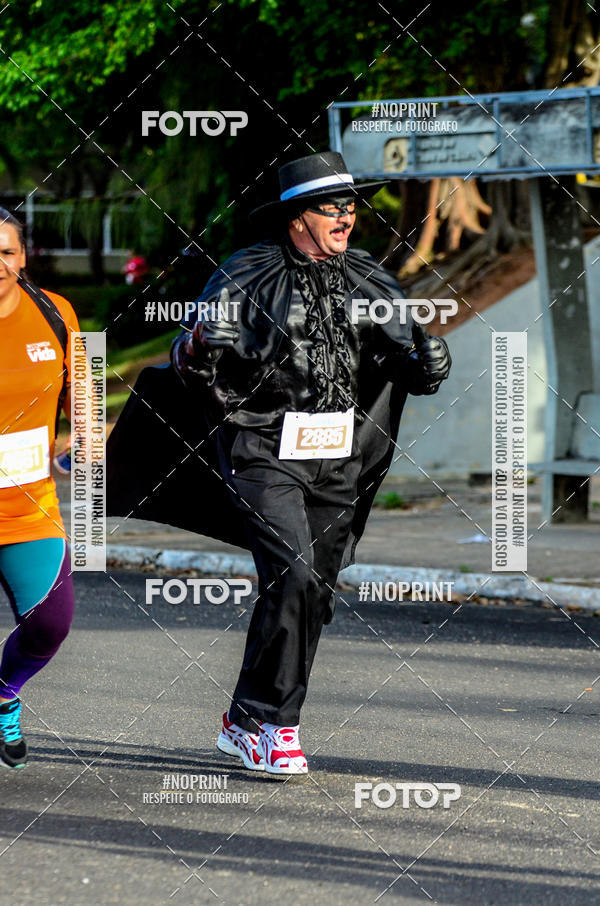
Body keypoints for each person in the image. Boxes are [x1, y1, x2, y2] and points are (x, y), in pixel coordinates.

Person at [167, 152, 451, 774]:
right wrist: (195, 346)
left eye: (351, 206)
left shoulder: (371, 278)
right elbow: (191, 360)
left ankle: (245, 719)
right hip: (264, 446)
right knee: (293, 573)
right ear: (299, 216)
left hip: (339, 456)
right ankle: (274, 723)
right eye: (332, 207)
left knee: (312, 590)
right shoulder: (246, 272)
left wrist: (430, 364)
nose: (347, 217)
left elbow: (408, 360)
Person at [0, 207, 78, 768]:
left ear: (23, 257)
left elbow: (89, 396)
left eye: (6, 252)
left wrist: (91, 448)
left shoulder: (57, 312)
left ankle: (3, 694)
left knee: (51, 623)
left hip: (29, 508)